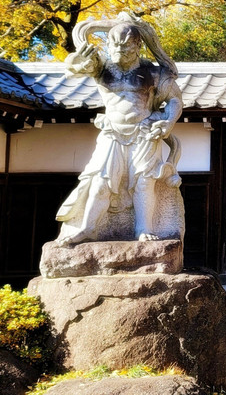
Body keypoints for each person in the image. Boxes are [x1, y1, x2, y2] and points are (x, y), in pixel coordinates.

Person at [55, 13, 184, 246]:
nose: (119, 51)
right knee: (100, 181)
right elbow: (75, 66)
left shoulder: (153, 73)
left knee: (144, 182)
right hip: (112, 131)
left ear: (137, 46)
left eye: (126, 47)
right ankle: (87, 227)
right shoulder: (102, 68)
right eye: (114, 46)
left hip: (144, 131)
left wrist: (167, 122)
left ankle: (143, 228)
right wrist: (76, 63)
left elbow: (175, 99)